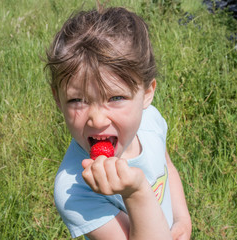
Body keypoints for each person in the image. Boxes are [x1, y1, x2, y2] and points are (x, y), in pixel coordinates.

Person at [46, 5, 191, 240]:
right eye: (77, 100)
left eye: (116, 98)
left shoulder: (150, 121)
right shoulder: (75, 191)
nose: (97, 119)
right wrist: (135, 192)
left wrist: (182, 219)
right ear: (58, 100)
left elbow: (167, 166)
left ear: (146, 94)